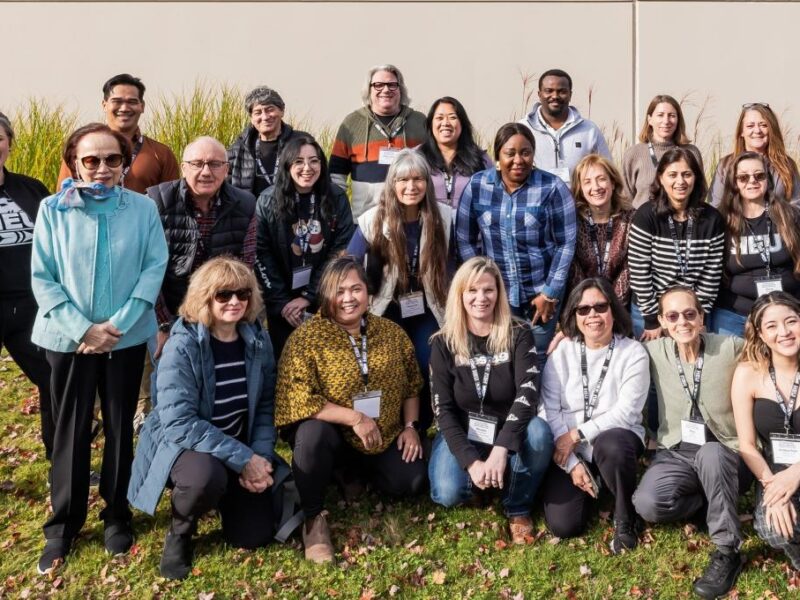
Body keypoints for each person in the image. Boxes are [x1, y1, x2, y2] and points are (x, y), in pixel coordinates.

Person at [31, 123, 168, 573]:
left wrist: (116, 325)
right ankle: (63, 526)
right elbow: (44, 278)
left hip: (125, 338)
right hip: (68, 341)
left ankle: (116, 515)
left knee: (118, 425)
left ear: (125, 163)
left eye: (112, 159)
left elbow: (154, 267)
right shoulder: (53, 210)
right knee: (69, 430)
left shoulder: (143, 209)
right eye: (91, 160)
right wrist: (82, 330)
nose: (102, 168)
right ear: (75, 163)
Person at [128, 257, 283, 580]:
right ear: (204, 297)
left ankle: (229, 497)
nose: (235, 302)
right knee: (206, 477)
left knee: (253, 535)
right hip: (186, 448)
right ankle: (180, 532)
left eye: (242, 294)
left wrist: (261, 458)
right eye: (223, 295)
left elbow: (267, 404)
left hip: (238, 441)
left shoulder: (257, 338)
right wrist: (244, 459)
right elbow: (180, 423)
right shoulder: (182, 345)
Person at [275, 257, 427, 563]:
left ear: (368, 292)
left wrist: (411, 427)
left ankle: (354, 475)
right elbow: (298, 398)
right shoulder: (306, 338)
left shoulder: (390, 332)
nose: (348, 298)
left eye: (356, 289)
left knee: (409, 481)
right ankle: (314, 520)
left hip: (381, 434)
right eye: (339, 291)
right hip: (332, 437)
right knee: (312, 433)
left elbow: (413, 383)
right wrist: (354, 417)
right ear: (326, 296)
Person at [632, 286, 749, 600]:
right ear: (662, 321)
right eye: (672, 316)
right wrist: (567, 334)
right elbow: (611, 348)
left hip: (725, 449)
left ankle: (728, 551)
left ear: (701, 318)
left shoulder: (729, 347)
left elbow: (770, 350)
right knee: (647, 504)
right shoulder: (654, 351)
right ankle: (707, 502)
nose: (682, 322)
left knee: (711, 454)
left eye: (689, 314)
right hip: (677, 452)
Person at [428, 257, 554, 544]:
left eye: (488, 290)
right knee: (447, 492)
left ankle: (517, 505)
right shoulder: (442, 342)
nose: (480, 298)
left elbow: (528, 394)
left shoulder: (519, 334)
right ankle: (480, 482)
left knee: (539, 432)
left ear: (499, 293)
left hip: (508, 429)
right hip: (462, 431)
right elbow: (443, 411)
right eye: (472, 291)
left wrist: (501, 448)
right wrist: (471, 462)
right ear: (460, 295)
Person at [346, 149, 451, 430]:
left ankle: (423, 425)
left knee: (429, 358)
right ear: (392, 184)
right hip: (387, 308)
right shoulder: (372, 219)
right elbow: (349, 265)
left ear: (428, 184)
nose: (411, 187)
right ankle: (387, 425)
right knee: (389, 365)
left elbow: (459, 263)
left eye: (418, 179)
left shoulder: (444, 217)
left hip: (429, 308)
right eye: (403, 180)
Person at [541, 278, 648, 552]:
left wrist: (577, 435)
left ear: (613, 309)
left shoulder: (633, 352)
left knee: (609, 443)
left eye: (600, 307)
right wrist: (572, 463)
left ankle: (626, 517)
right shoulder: (561, 352)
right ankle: (592, 480)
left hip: (615, 440)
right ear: (574, 315)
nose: (593, 316)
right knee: (565, 525)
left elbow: (627, 412)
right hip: (570, 449)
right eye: (583, 309)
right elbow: (549, 409)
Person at [457, 122, 576, 365]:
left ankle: (539, 405)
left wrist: (550, 292)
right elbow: (464, 239)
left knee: (538, 356)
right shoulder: (478, 186)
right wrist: (481, 284)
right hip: (498, 295)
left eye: (525, 152)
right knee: (502, 358)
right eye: (510, 153)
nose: (518, 160)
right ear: (498, 155)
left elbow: (566, 243)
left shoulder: (551, 188)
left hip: (540, 293)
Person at [147, 136, 257, 364]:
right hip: (168, 311)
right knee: (170, 379)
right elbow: (147, 271)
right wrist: (164, 324)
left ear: (226, 169)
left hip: (222, 311)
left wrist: (229, 319)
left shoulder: (245, 204)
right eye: (197, 164)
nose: (206, 172)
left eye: (215, 164)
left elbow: (245, 267)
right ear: (183, 168)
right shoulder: (156, 202)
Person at [255, 134, 355, 361]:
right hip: (282, 303)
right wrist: (282, 303)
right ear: (287, 165)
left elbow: (340, 250)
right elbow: (261, 255)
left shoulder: (336, 197)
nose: (307, 168)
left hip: (324, 296)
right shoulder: (267, 201)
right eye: (299, 161)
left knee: (329, 363)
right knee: (287, 363)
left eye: (314, 161)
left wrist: (310, 295)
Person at [732, 292, 800, 573]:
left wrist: (796, 473)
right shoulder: (748, 373)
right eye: (771, 326)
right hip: (772, 470)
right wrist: (772, 487)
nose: (783, 332)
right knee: (772, 530)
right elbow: (747, 445)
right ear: (759, 333)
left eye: (792, 321)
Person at [628, 147, 725, 340]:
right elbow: (639, 271)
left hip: (693, 311)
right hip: (651, 310)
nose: (680, 181)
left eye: (687, 174)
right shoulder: (646, 216)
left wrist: (698, 315)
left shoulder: (712, 219)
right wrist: (652, 319)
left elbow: (712, 274)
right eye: (672, 175)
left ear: (695, 178)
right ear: (661, 178)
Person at [0, 112, 54, 462]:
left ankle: (59, 463)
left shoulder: (31, 189)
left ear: (9, 142)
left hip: (31, 306)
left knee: (53, 382)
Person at [714, 152, 800, 337]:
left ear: (767, 180)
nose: (752, 181)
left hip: (785, 311)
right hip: (735, 314)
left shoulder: (789, 216)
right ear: (734, 182)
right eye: (743, 177)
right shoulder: (721, 221)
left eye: (759, 176)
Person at [329, 64, 427, 219]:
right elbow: (336, 177)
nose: (386, 90)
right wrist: (341, 215)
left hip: (409, 219)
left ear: (400, 89)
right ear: (369, 90)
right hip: (363, 221)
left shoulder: (419, 122)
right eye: (378, 85)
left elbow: (433, 170)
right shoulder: (351, 123)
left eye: (392, 85)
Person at [57, 74, 179, 194]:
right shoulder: (81, 149)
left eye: (132, 102)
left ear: (142, 106)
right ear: (104, 105)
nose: (124, 108)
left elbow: (172, 204)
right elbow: (63, 197)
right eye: (117, 101)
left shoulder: (161, 153)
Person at [518, 68, 612, 184]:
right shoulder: (522, 129)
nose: (555, 96)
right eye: (549, 91)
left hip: (577, 201)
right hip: (536, 200)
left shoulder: (589, 130)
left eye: (562, 91)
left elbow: (608, 171)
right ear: (539, 94)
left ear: (570, 95)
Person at [568, 154, 635, 305]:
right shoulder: (573, 221)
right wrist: (591, 304)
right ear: (581, 188)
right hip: (584, 305)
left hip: (623, 306)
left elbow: (629, 268)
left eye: (601, 179)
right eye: (587, 182)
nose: (596, 187)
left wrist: (612, 307)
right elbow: (573, 269)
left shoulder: (631, 218)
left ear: (613, 182)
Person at [710, 103, 800, 207]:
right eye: (750, 126)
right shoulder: (725, 165)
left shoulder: (787, 165)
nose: (757, 131)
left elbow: (796, 205)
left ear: (771, 130)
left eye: (763, 125)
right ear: (741, 132)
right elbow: (716, 206)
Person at [622, 94, 704, 208]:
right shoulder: (634, 154)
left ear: (678, 119)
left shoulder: (691, 153)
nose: (666, 121)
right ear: (649, 119)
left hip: (682, 222)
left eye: (672, 116)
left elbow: (700, 191)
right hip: (643, 223)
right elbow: (625, 198)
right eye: (660, 115)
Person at [227, 86, 308, 197]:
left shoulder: (302, 142)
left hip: (292, 210)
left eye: (270, 110)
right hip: (249, 212)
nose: (264, 117)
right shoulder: (238, 149)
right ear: (251, 117)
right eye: (258, 112)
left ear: (282, 111)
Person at [416, 97, 492, 208]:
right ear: (431, 124)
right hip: (428, 223)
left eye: (452, 117)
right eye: (439, 118)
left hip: (468, 224)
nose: (445, 123)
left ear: (462, 123)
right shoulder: (416, 157)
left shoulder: (480, 158)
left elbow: (494, 195)